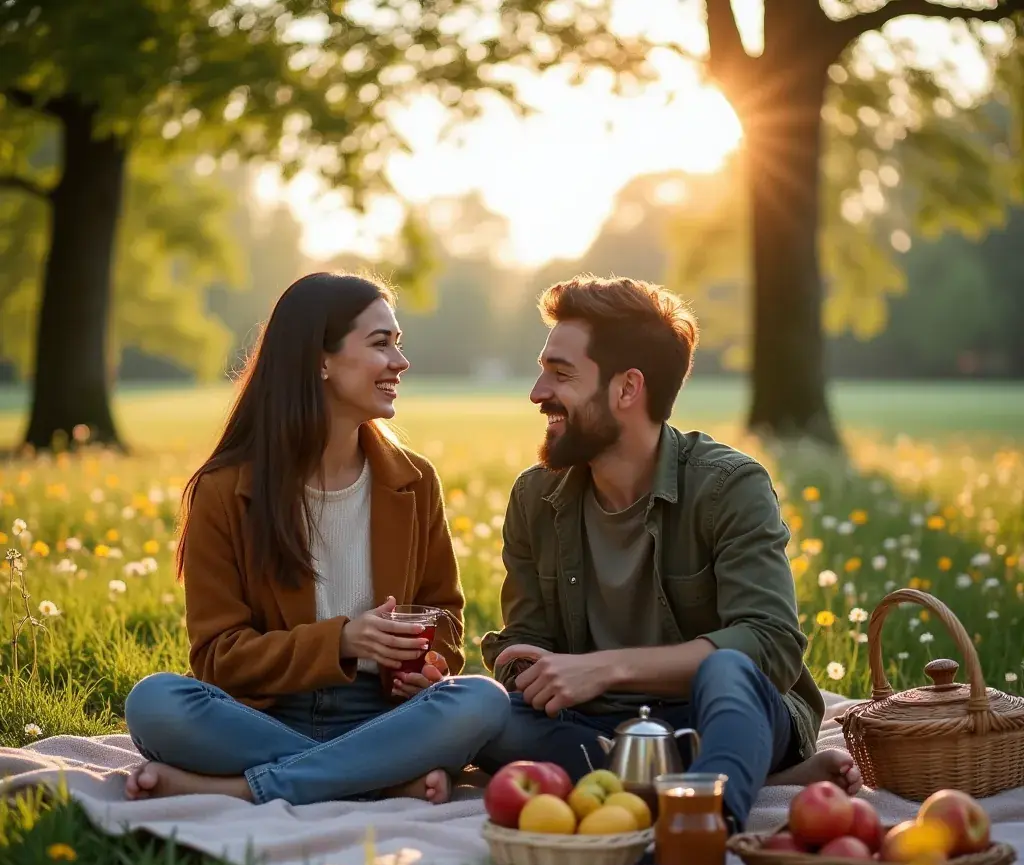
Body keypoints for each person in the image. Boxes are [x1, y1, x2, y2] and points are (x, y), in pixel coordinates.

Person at [475, 274, 860, 832]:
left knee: (730, 672)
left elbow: (770, 644)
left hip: (719, 712)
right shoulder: (535, 498)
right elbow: (527, 639)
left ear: (627, 389)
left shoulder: (729, 486)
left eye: (560, 374)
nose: (537, 392)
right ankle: (735, 777)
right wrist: (521, 666)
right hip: (597, 728)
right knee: (481, 716)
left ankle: (697, 825)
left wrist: (605, 669)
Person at [123, 272, 510, 806]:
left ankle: (251, 787)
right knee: (156, 702)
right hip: (262, 715)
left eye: (398, 343)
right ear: (319, 361)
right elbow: (217, 659)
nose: (400, 362)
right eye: (381, 343)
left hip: (383, 716)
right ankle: (378, 779)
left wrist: (429, 670)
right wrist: (343, 640)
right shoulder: (225, 491)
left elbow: (442, 616)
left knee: (483, 701)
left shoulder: (414, 482)